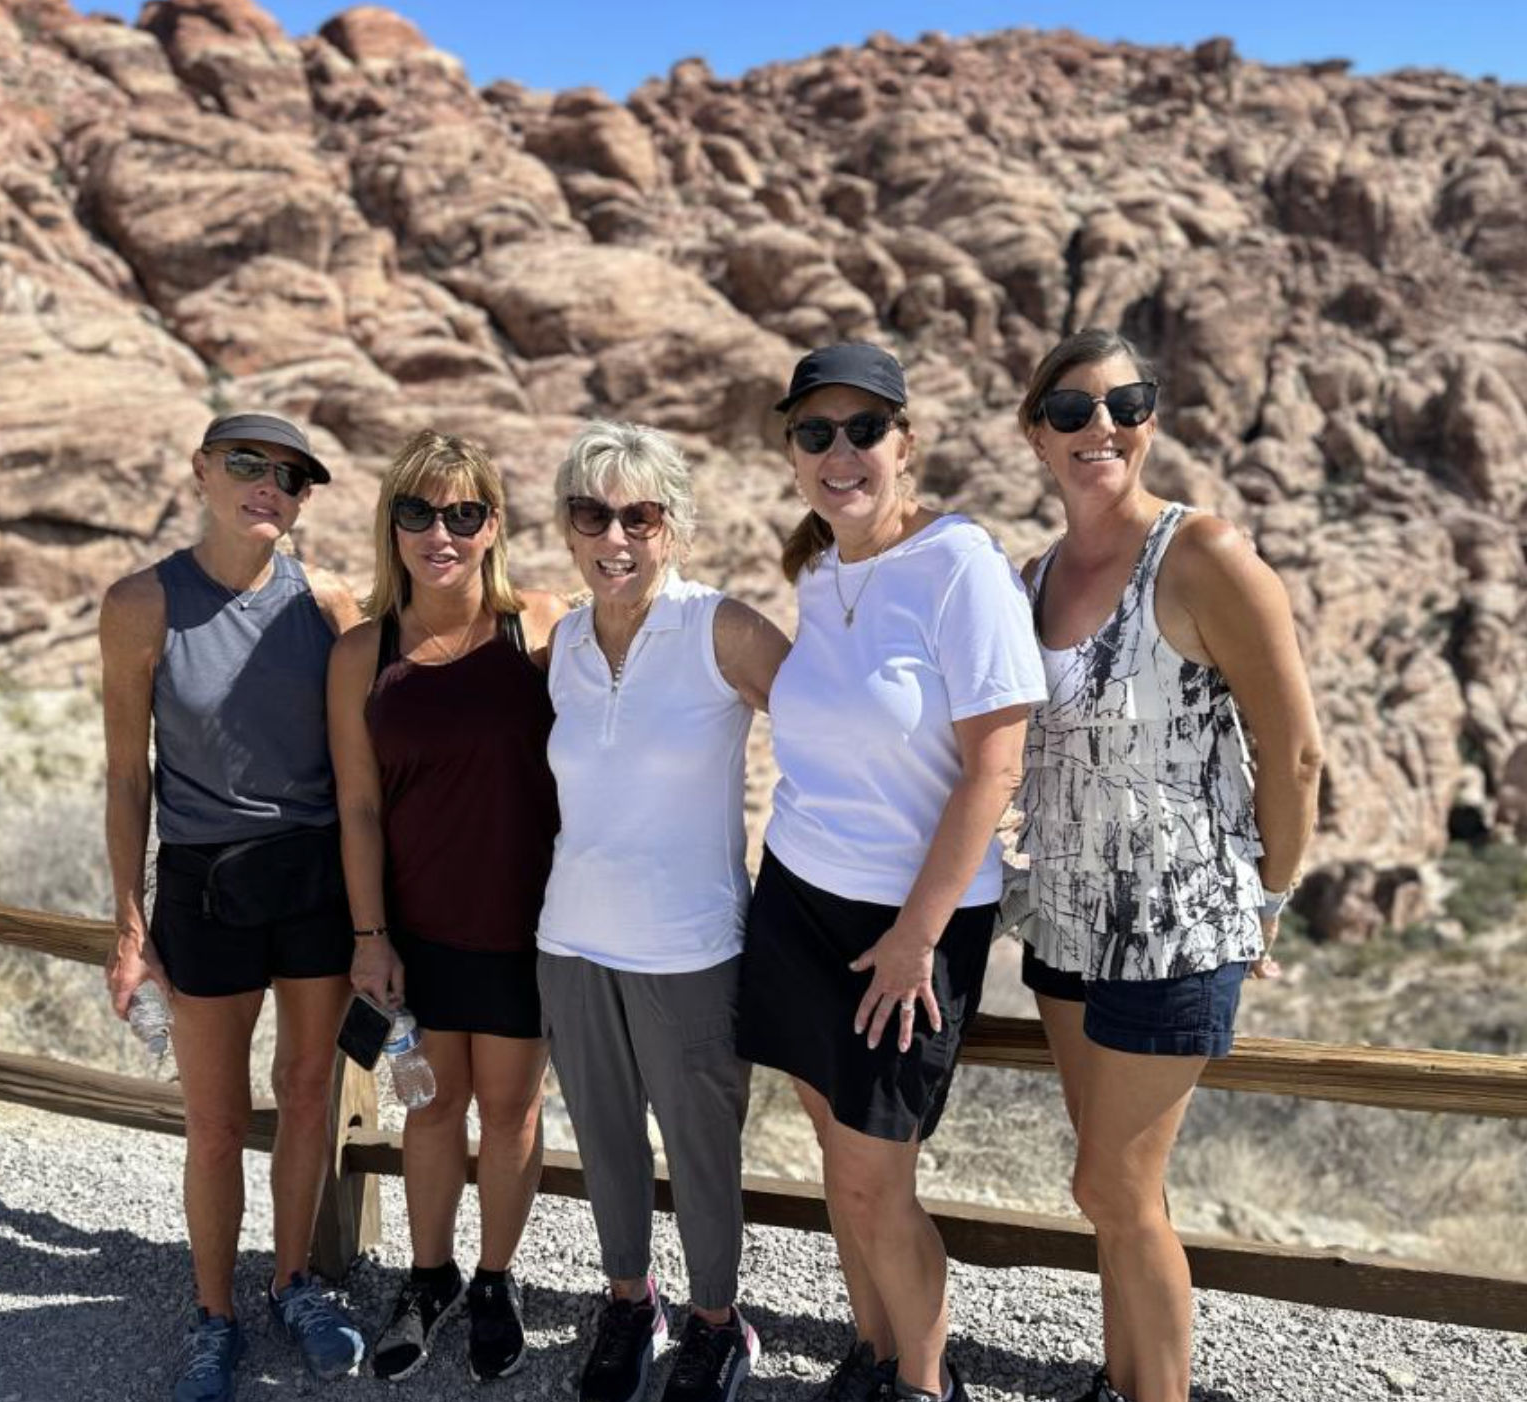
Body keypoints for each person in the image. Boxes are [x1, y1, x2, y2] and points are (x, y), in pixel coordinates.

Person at [1007, 329, 1324, 1402]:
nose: (1099, 427)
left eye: (1124, 403)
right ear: (1035, 434)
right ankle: (1125, 1374)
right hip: (1063, 921)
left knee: (1112, 1182)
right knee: (1111, 1192)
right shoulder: (1031, 576)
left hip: (1177, 923)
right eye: (1069, 411)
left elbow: (1293, 752)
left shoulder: (1203, 555)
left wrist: (1267, 898)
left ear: (1150, 418)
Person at [735, 345, 1047, 1402]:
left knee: (876, 1175)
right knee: (839, 1159)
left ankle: (924, 1383)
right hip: (799, 900)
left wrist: (915, 935)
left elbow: (993, 767)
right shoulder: (818, 571)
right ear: (790, 450)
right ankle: (868, 1357)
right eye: (814, 432)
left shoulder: (961, 564)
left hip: (909, 928)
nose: (839, 452)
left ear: (905, 443)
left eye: (863, 429)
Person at [101, 412, 367, 1402]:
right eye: (250, 465)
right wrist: (130, 925)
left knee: (307, 1094)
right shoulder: (141, 604)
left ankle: (292, 1280)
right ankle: (214, 1313)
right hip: (205, 888)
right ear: (203, 471)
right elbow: (128, 776)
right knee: (215, 1122)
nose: (271, 487)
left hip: (315, 882)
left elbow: (363, 770)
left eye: (292, 478)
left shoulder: (328, 602)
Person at [533, 421, 790, 1402]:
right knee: (603, 1142)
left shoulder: (720, 627)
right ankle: (629, 1304)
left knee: (700, 1151)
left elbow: (833, 733)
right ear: (566, 524)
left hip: (690, 946)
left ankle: (718, 1324)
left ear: (672, 525)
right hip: (571, 938)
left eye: (639, 515)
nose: (615, 536)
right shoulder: (561, 639)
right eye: (591, 513)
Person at [328, 428, 568, 1385]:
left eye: (463, 513)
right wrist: (369, 936)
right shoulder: (361, 653)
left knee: (509, 1112)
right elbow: (356, 805)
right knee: (431, 1115)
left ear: (492, 525)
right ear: (391, 525)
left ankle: (496, 1280)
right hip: (416, 932)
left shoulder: (539, 628)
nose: (442, 532)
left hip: (528, 926)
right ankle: (430, 1280)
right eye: (418, 512)